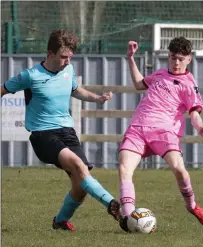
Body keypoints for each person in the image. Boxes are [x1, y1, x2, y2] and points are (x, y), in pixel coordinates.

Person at [1, 29, 122, 231]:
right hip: (42, 135)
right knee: (78, 165)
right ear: (50, 53)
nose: (67, 61)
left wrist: (97, 98)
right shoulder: (30, 76)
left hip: (67, 132)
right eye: (63, 57)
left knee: (80, 186)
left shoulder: (68, 70)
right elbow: (3, 89)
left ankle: (60, 221)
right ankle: (113, 205)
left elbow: (76, 90)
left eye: (70, 57)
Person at [119, 37, 203, 231]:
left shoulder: (188, 84)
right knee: (124, 169)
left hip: (164, 132)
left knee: (179, 169)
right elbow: (139, 84)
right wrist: (130, 58)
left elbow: (194, 113)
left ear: (189, 59)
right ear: (168, 57)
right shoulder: (159, 74)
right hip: (138, 129)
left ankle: (192, 206)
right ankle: (128, 218)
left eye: (180, 58)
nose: (176, 62)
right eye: (172, 57)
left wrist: (200, 128)